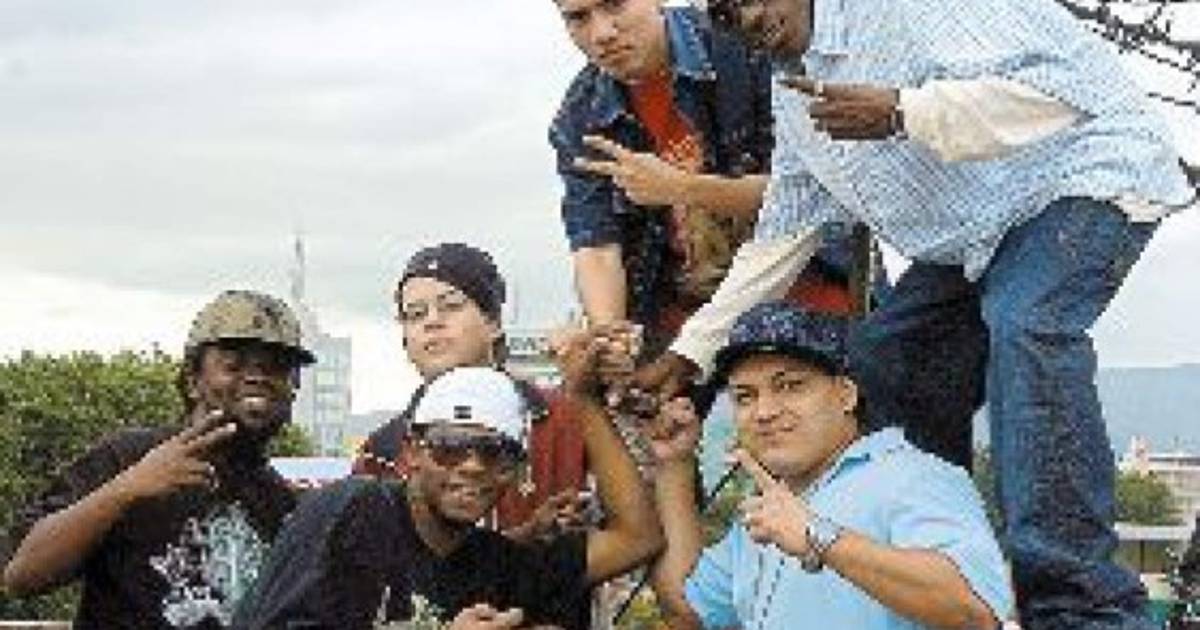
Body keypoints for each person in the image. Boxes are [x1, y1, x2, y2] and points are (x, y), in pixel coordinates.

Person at [635, 0, 1195, 626]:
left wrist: (905, 111)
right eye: (726, 12)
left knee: (1026, 325)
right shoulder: (793, 95)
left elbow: (1061, 95)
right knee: (887, 356)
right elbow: (785, 231)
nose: (747, 15)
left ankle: (1080, 601)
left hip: (1083, 177)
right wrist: (690, 351)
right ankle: (941, 560)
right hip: (978, 234)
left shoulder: (908, 10)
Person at [646, 301, 1011, 629]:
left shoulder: (911, 476)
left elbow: (976, 611)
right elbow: (686, 610)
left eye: (790, 386)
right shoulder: (772, 511)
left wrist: (817, 537)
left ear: (846, 395)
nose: (765, 411)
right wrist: (674, 464)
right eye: (744, 396)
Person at [549, 0, 871, 360]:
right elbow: (596, 245)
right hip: (678, 327)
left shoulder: (744, 46)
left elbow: (815, 193)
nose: (601, 33)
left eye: (614, 6)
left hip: (805, 301)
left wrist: (682, 188)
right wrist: (611, 339)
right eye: (578, 18)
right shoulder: (580, 115)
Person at [233, 362, 663, 630]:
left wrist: (583, 401)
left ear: (515, 470)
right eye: (450, 446)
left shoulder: (499, 568)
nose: (472, 466)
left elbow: (638, 538)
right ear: (411, 453)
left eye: (496, 453)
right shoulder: (353, 512)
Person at [1, 290, 315, 629]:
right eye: (234, 364)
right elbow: (21, 576)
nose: (257, 378)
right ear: (193, 381)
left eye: (276, 368)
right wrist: (128, 488)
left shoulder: (283, 504)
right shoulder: (126, 457)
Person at [351, 242, 590, 539]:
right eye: (415, 314)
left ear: (493, 322)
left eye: (451, 306)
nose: (432, 322)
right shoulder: (382, 452)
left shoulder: (567, 418)